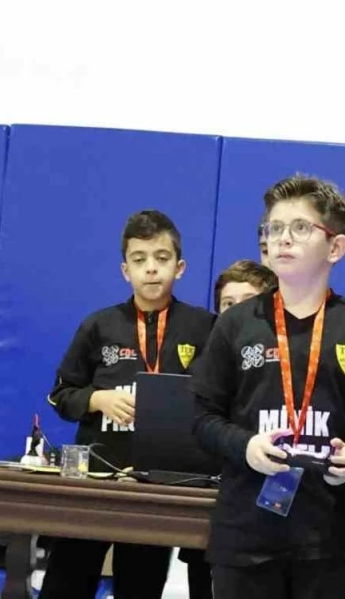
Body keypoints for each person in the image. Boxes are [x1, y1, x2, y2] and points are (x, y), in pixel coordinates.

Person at [191, 174, 345, 599]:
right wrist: (246, 447)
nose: (283, 238)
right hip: (247, 536)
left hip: (333, 538)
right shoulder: (234, 325)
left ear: (335, 247)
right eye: (274, 228)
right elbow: (202, 418)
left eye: (300, 227)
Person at [41, 209, 215, 599]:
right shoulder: (98, 325)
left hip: (158, 486)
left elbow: (215, 401)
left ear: (180, 267)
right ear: (125, 271)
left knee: (140, 587)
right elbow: (60, 393)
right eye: (139, 259)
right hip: (96, 480)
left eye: (161, 258)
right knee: (66, 583)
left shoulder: (204, 327)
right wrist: (95, 398)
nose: (151, 268)